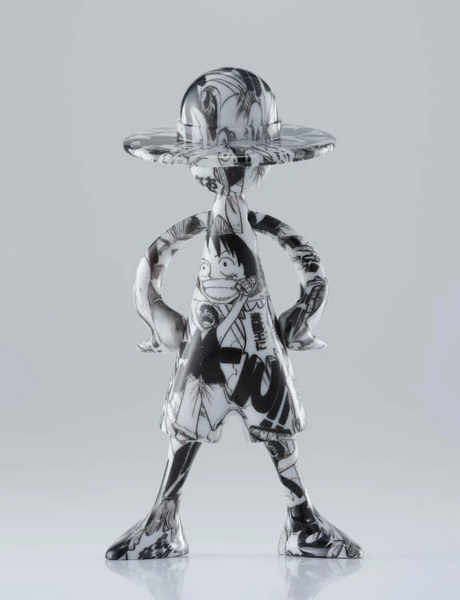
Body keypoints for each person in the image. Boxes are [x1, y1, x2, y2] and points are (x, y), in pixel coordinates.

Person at [106, 68, 362, 560]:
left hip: (254, 334)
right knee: (189, 427)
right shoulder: (216, 222)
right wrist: (157, 311)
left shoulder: (239, 221)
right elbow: (153, 264)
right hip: (210, 336)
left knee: (273, 428)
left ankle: (301, 520)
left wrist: (305, 309)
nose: (229, 172)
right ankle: (164, 519)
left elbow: (306, 262)